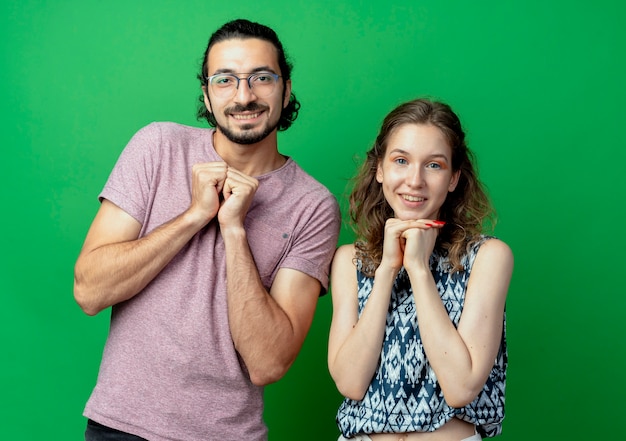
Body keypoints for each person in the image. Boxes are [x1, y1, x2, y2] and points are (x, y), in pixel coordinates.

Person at [74, 18, 341, 441]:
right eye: (225, 80)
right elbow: (90, 291)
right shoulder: (157, 147)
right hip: (119, 428)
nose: (244, 95)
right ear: (206, 94)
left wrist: (233, 230)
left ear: (286, 89)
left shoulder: (313, 206)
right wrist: (194, 216)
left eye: (261, 78)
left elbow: (268, 363)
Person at [328, 98, 513, 440]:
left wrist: (418, 269)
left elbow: (460, 387)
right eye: (401, 160)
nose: (414, 180)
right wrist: (387, 270)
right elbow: (350, 383)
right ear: (380, 170)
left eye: (434, 165)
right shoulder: (348, 260)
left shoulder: (488, 257)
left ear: (454, 177)